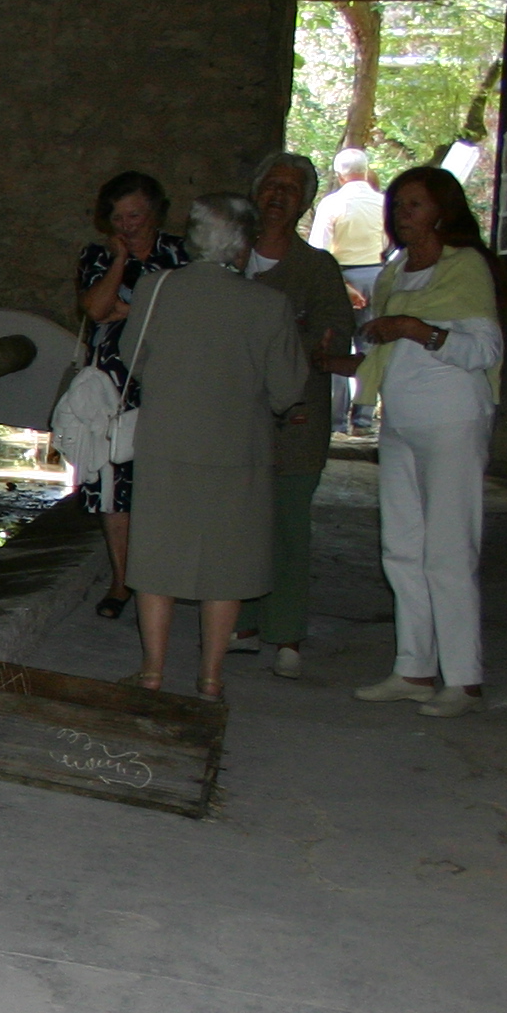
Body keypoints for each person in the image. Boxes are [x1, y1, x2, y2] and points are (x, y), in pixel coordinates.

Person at [122, 195, 313, 699]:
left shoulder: (155, 288)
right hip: (238, 449)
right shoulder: (270, 305)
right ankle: (209, 678)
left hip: (166, 441)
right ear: (244, 244)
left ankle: (152, 673)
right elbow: (287, 389)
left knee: (157, 562)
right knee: (226, 567)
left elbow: (133, 359)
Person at [353, 165, 504, 717]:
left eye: (414, 205)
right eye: (398, 206)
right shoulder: (393, 271)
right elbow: (378, 349)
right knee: (401, 548)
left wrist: (420, 330)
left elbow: (484, 350)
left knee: (447, 549)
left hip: (453, 420)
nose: (402, 215)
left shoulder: (465, 268)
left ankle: (463, 678)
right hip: (402, 423)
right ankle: (414, 668)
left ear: (442, 210)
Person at [236, 152, 361, 678]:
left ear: (306, 202)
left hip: (295, 419)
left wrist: (283, 343)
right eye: (271, 185)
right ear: (255, 192)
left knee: (288, 523)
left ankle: (285, 632)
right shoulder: (229, 261)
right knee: (237, 521)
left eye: (291, 188)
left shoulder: (317, 268)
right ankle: (239, 621)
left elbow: (333, 333)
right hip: (234, 417)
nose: (279, 195)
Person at [74, 170, 188, 620]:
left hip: (166, 382)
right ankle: (123, 581)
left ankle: (162, 577)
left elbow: (188, 315)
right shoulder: (98, 256)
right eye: (118, 217)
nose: (127, 225)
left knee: (162, 483)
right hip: (113, 389)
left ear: (155, 212)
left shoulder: (182, 255)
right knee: (114, 485)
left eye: (135, 215)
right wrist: (121, 261)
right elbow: (97, 309)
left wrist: (133, 310)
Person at [311, 147, 389, 435]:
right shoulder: (384, 203)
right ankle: (364, 419)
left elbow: (320, 251)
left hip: (341, 277)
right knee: (370, 346)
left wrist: (341, 286)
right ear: (366, 171)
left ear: (340, 175)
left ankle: (335, 420)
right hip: (378, 276)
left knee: (335, 345)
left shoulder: (332, 205)